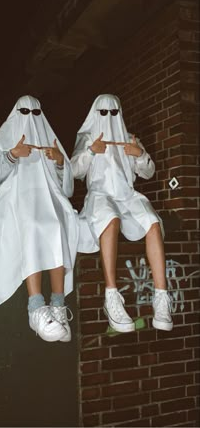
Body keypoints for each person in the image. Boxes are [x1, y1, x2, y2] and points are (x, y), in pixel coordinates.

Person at [71, 93, 173, 333]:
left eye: (113, 112)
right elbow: (74, 171)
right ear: (95, 114)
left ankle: (161, 297)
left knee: (152, 223)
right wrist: (91, 151)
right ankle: (112, 296)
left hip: (128, 196)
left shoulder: (129, 139)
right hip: (100, 195)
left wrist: (139, 155)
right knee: (110, 219)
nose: (108, 117)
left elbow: (148, 172)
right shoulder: (87, 137)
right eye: (103, 113)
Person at [0, 95, 79, 342]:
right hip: (17, 200)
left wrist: (59, 162)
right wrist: (12, 154)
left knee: (59, 225)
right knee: (31, 227)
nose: (31, 118)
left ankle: (58, 304)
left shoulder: (50, 141)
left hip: (48, 200)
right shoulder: (7, 139)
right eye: (25, 112)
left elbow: (65, 187)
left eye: (36, 113)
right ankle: (36, 307)